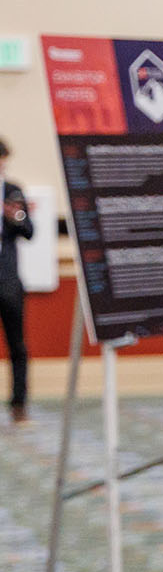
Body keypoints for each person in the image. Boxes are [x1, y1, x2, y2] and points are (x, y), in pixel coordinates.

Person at [0, 139, 34, 424]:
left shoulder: (12, 191)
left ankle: (19, 404)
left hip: (8, 280)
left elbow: (29, 229)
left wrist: (16, 217)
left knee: (17, 344)